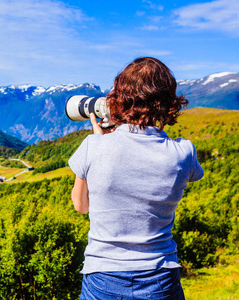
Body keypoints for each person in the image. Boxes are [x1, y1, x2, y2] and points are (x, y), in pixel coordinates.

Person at [68, 57, 204, 300]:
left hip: (103, 276)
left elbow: (81, 206)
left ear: (119, 98)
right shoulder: (183, 152)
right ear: (168, 103)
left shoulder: (93, 146)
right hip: (160, 276)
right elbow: (189, 172)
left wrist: (101, 140)